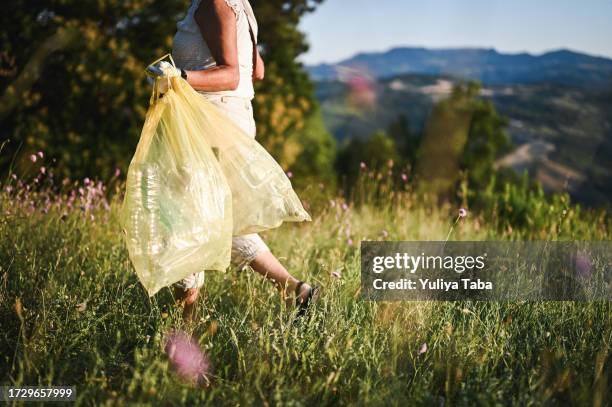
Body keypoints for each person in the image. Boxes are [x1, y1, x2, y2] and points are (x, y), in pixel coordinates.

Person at [160, 0, 318, 321]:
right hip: (231, 120)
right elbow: (257, 70)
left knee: (186, 219)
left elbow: (231, 75)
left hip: (210, 124)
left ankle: (181, 336)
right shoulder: (241, 6)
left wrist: (178, 75)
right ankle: (295, 291)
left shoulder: (215, 3)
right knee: (218, 217)